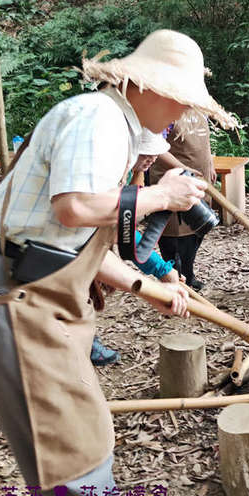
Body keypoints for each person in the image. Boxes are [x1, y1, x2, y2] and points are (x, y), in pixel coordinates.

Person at [0, 30, 237, 496]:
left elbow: (83, 247)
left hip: (27, 294)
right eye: (180, 99)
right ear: (146, 86)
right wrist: (164, 195)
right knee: (73, 460)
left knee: (80, 445)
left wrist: (148, 287)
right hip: (11, 297)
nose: (182, 113)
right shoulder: (97, 117)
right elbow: (74, 208)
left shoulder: (113, 127)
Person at [90, 129, 184, 367]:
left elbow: (125, 233)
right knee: (81, 296)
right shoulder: (105, 179)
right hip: (68, 255)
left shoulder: (134, 172)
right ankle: (86, 342)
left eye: (155, 152)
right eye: (147, 152)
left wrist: (163, 272)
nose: (152, 158)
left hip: (93, 248)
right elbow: (123, 235)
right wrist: (161, 270)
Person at [149, 109, 218, 291]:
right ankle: (174, 280)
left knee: (197, 228)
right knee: (174, 235)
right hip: (174, 177)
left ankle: (188, 273)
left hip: (198, 178)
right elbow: (156, 146)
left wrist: (210, 163)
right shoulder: (168, 110)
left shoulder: (200, 108)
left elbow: (205, 141)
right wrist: (183, 167)